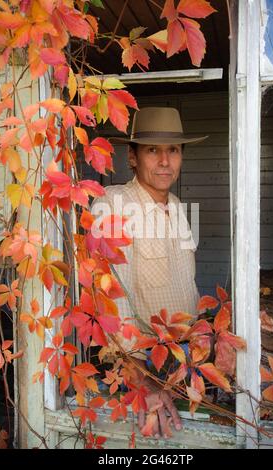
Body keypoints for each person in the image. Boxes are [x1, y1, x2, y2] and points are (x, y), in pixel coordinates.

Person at [91, 107, 207, 439]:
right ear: (132, 157)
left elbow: (188, 285)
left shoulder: (179, 209)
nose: (165, 161)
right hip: (142, 366)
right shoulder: (111, 203)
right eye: (152, 150)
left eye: (173, 150)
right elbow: (112, 297)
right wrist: (142, 380)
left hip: (185, 363)